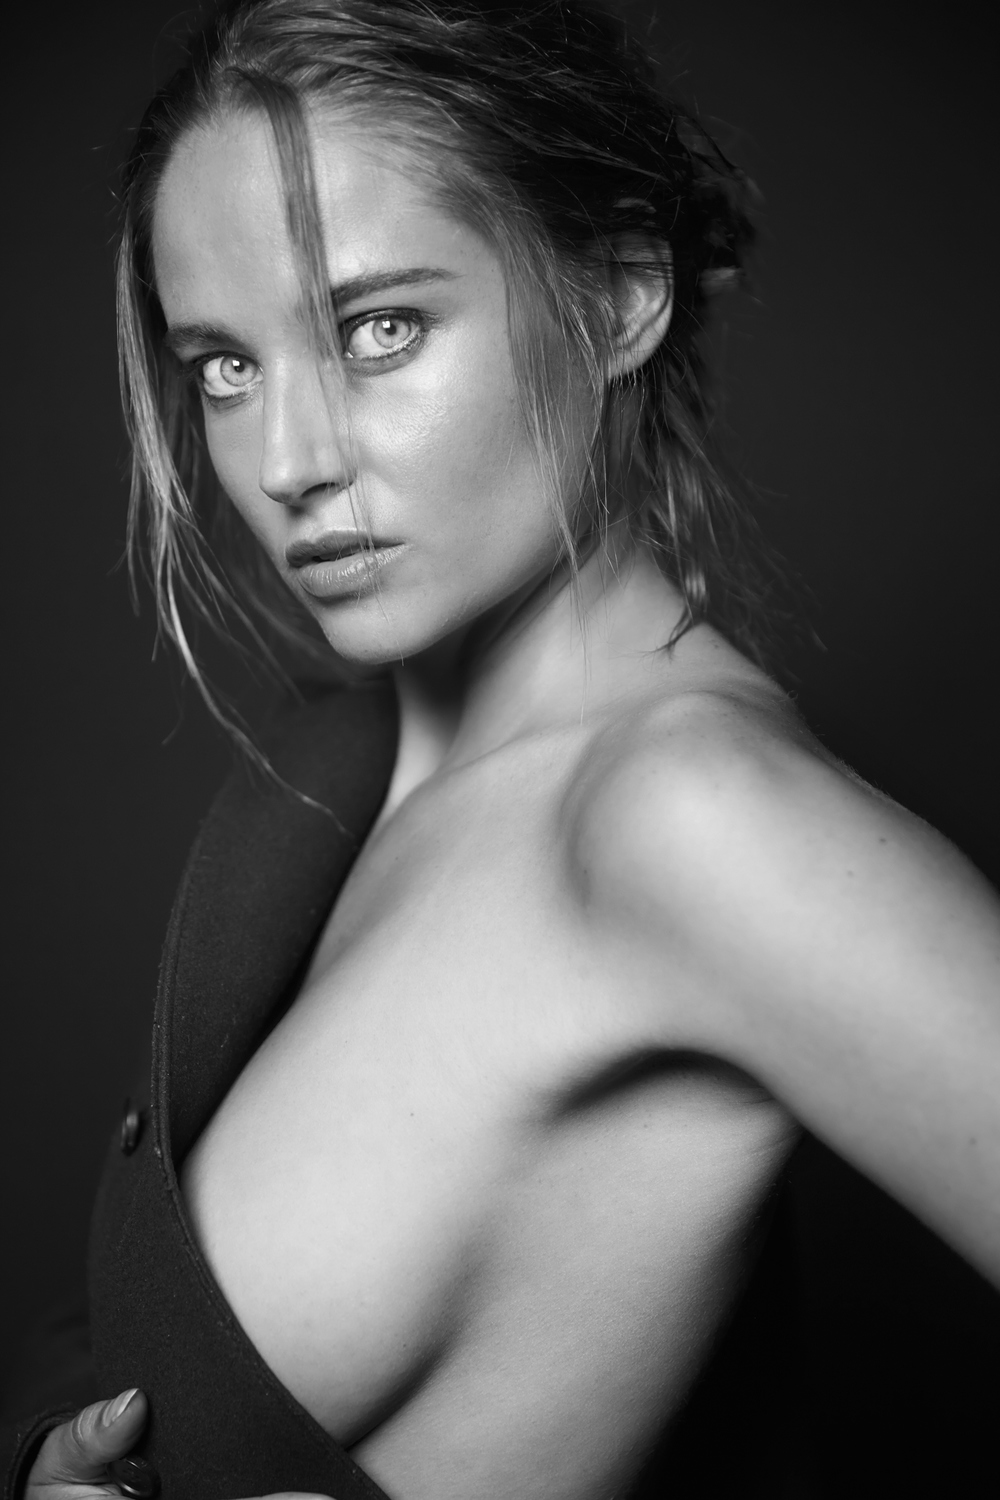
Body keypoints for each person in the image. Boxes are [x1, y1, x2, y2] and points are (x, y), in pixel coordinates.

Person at [6, 0, 999, 1496]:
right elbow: (146, 1312)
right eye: (226, 367)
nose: (288, 462)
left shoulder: (692, 819)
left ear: (618, 296)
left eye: (381, 329)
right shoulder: (343, 760)